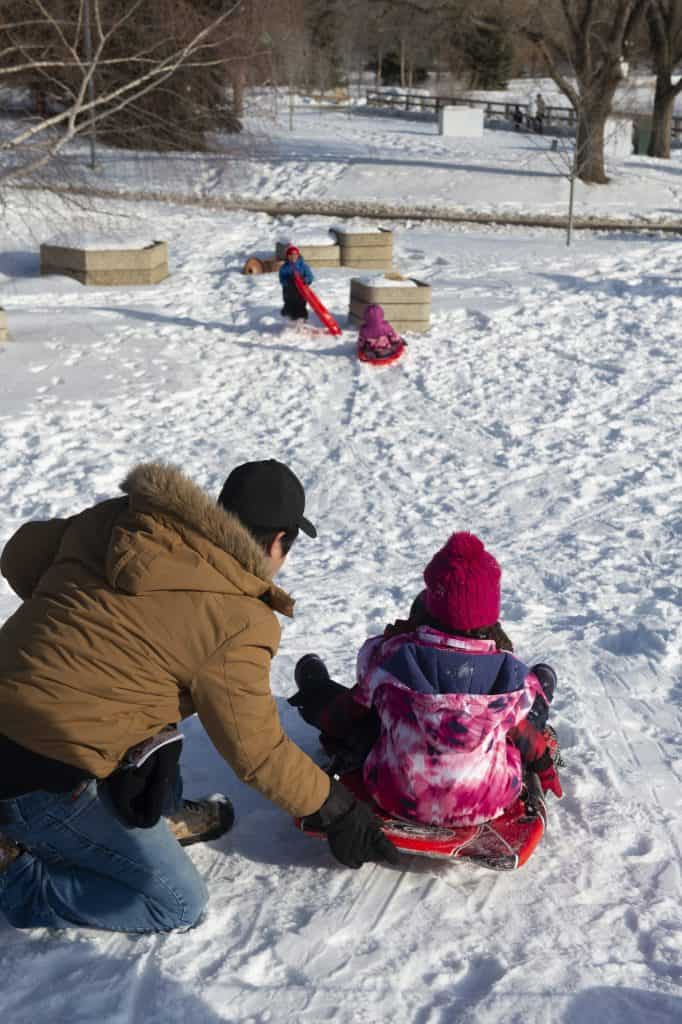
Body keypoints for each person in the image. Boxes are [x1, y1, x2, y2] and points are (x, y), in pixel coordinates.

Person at [0, 459, 398, 933]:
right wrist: (337, 810)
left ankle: (160, 813)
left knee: (163, 707)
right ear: (278, 543)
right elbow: (257, 751)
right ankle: (15, 877)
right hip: (29, 780)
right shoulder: (239, 620)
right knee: (176, 903)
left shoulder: (128, 520)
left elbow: (19, 553)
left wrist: (74, 630)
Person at [290, 532, 562, 829]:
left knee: (371, 713)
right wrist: (543, 764)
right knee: (519, 719)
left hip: (394, 793)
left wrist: (327, 718)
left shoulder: (392, 656)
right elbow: (522, 733)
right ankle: (545, 688)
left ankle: (314, 683)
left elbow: (349, 711)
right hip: (484, 800)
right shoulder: (508, 674)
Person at [279, 244, 314, 321]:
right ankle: (290, 319)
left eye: (295, 254)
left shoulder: (303, 266)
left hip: (301, 291)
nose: (293, 256)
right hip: (289, 291)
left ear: (298, 255)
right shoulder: (284, 268)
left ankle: (302, 320)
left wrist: (305, 280)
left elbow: (310, 276)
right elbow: (282, 279)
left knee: (301, 306)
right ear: (287, 256)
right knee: (290, 306)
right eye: (291, 255)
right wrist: (288, 281)